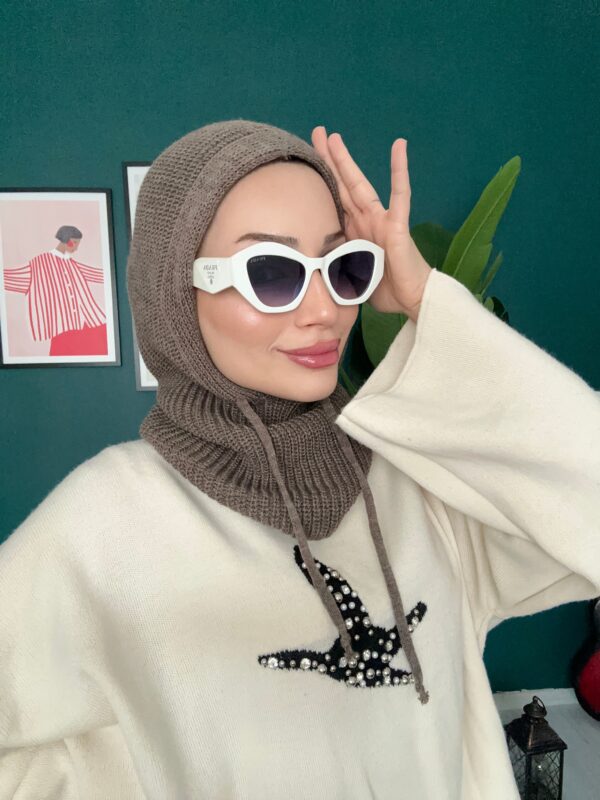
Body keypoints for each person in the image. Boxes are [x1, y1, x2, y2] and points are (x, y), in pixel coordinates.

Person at [0, 119, 598, 799]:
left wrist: (423, 300)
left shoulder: (423, 485)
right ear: (175, 293)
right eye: (272, 273)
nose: (325, 310)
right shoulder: (102, 524)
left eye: (344, 267)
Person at [2, 225, 108, 356]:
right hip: (62, 327)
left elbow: (101, 275)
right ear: (69, 241)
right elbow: (7, 278)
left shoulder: (73, 264)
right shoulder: (37, 265)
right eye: (76, 244)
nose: (76, 248)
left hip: (90, 320)